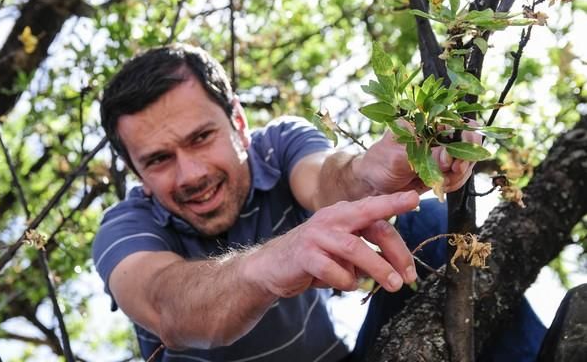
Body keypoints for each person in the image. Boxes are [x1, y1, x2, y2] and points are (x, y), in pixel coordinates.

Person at [92, 43, 543, 361]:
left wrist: (371, 174)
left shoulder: (278, 146)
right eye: (158, 160)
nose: (191, 174)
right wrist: (271, 262)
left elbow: (329, 178)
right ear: (138, 176)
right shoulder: (125, 229)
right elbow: (166, 305)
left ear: (239, 123)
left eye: (202, 138)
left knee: (425, 222)